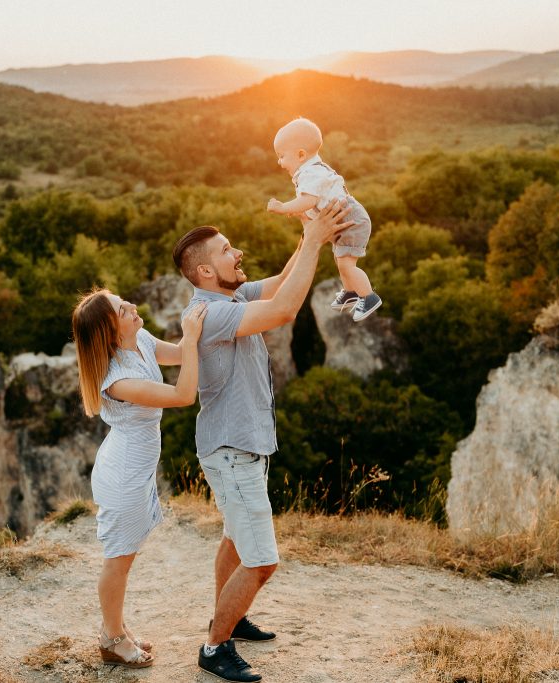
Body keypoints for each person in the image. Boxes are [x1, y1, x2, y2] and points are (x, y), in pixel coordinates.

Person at [173, 201, 352, 682]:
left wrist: (307, 235)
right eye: (228, 250)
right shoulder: (210, 313)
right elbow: (285, 308)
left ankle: (229, 618)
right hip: (231, 451)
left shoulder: (231, 295)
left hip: (241, 447)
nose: (239, 252)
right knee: (262, 561)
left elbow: (279, 283)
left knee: (235, 538)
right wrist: (314, 240)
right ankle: (214, 648)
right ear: (206, 270)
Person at [72, 288, 207, 669]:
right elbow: (183, 395)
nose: (132, 306)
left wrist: (196, 330)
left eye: (124, 301)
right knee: (118, 561)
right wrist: (193, 335)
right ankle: (112, 639)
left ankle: (114, 628)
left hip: (137, 469)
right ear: (111, 333)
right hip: (124, 476)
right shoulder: (118, 381)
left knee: (124, 559)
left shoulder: (141, 339)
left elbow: (182, 355)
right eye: (122, 309)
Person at [267, 117, 382, 322]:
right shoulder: (312, 170)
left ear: (301, 154)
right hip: (343, 220)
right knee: (341, 262)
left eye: (282, 156)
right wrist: (303, 213)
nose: (279, 162)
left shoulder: (310, 173)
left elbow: (308, 200)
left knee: (347, 265)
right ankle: (350, 292)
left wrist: (284, 208)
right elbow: (314, 204)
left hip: (351, 220)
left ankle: (369, 297)